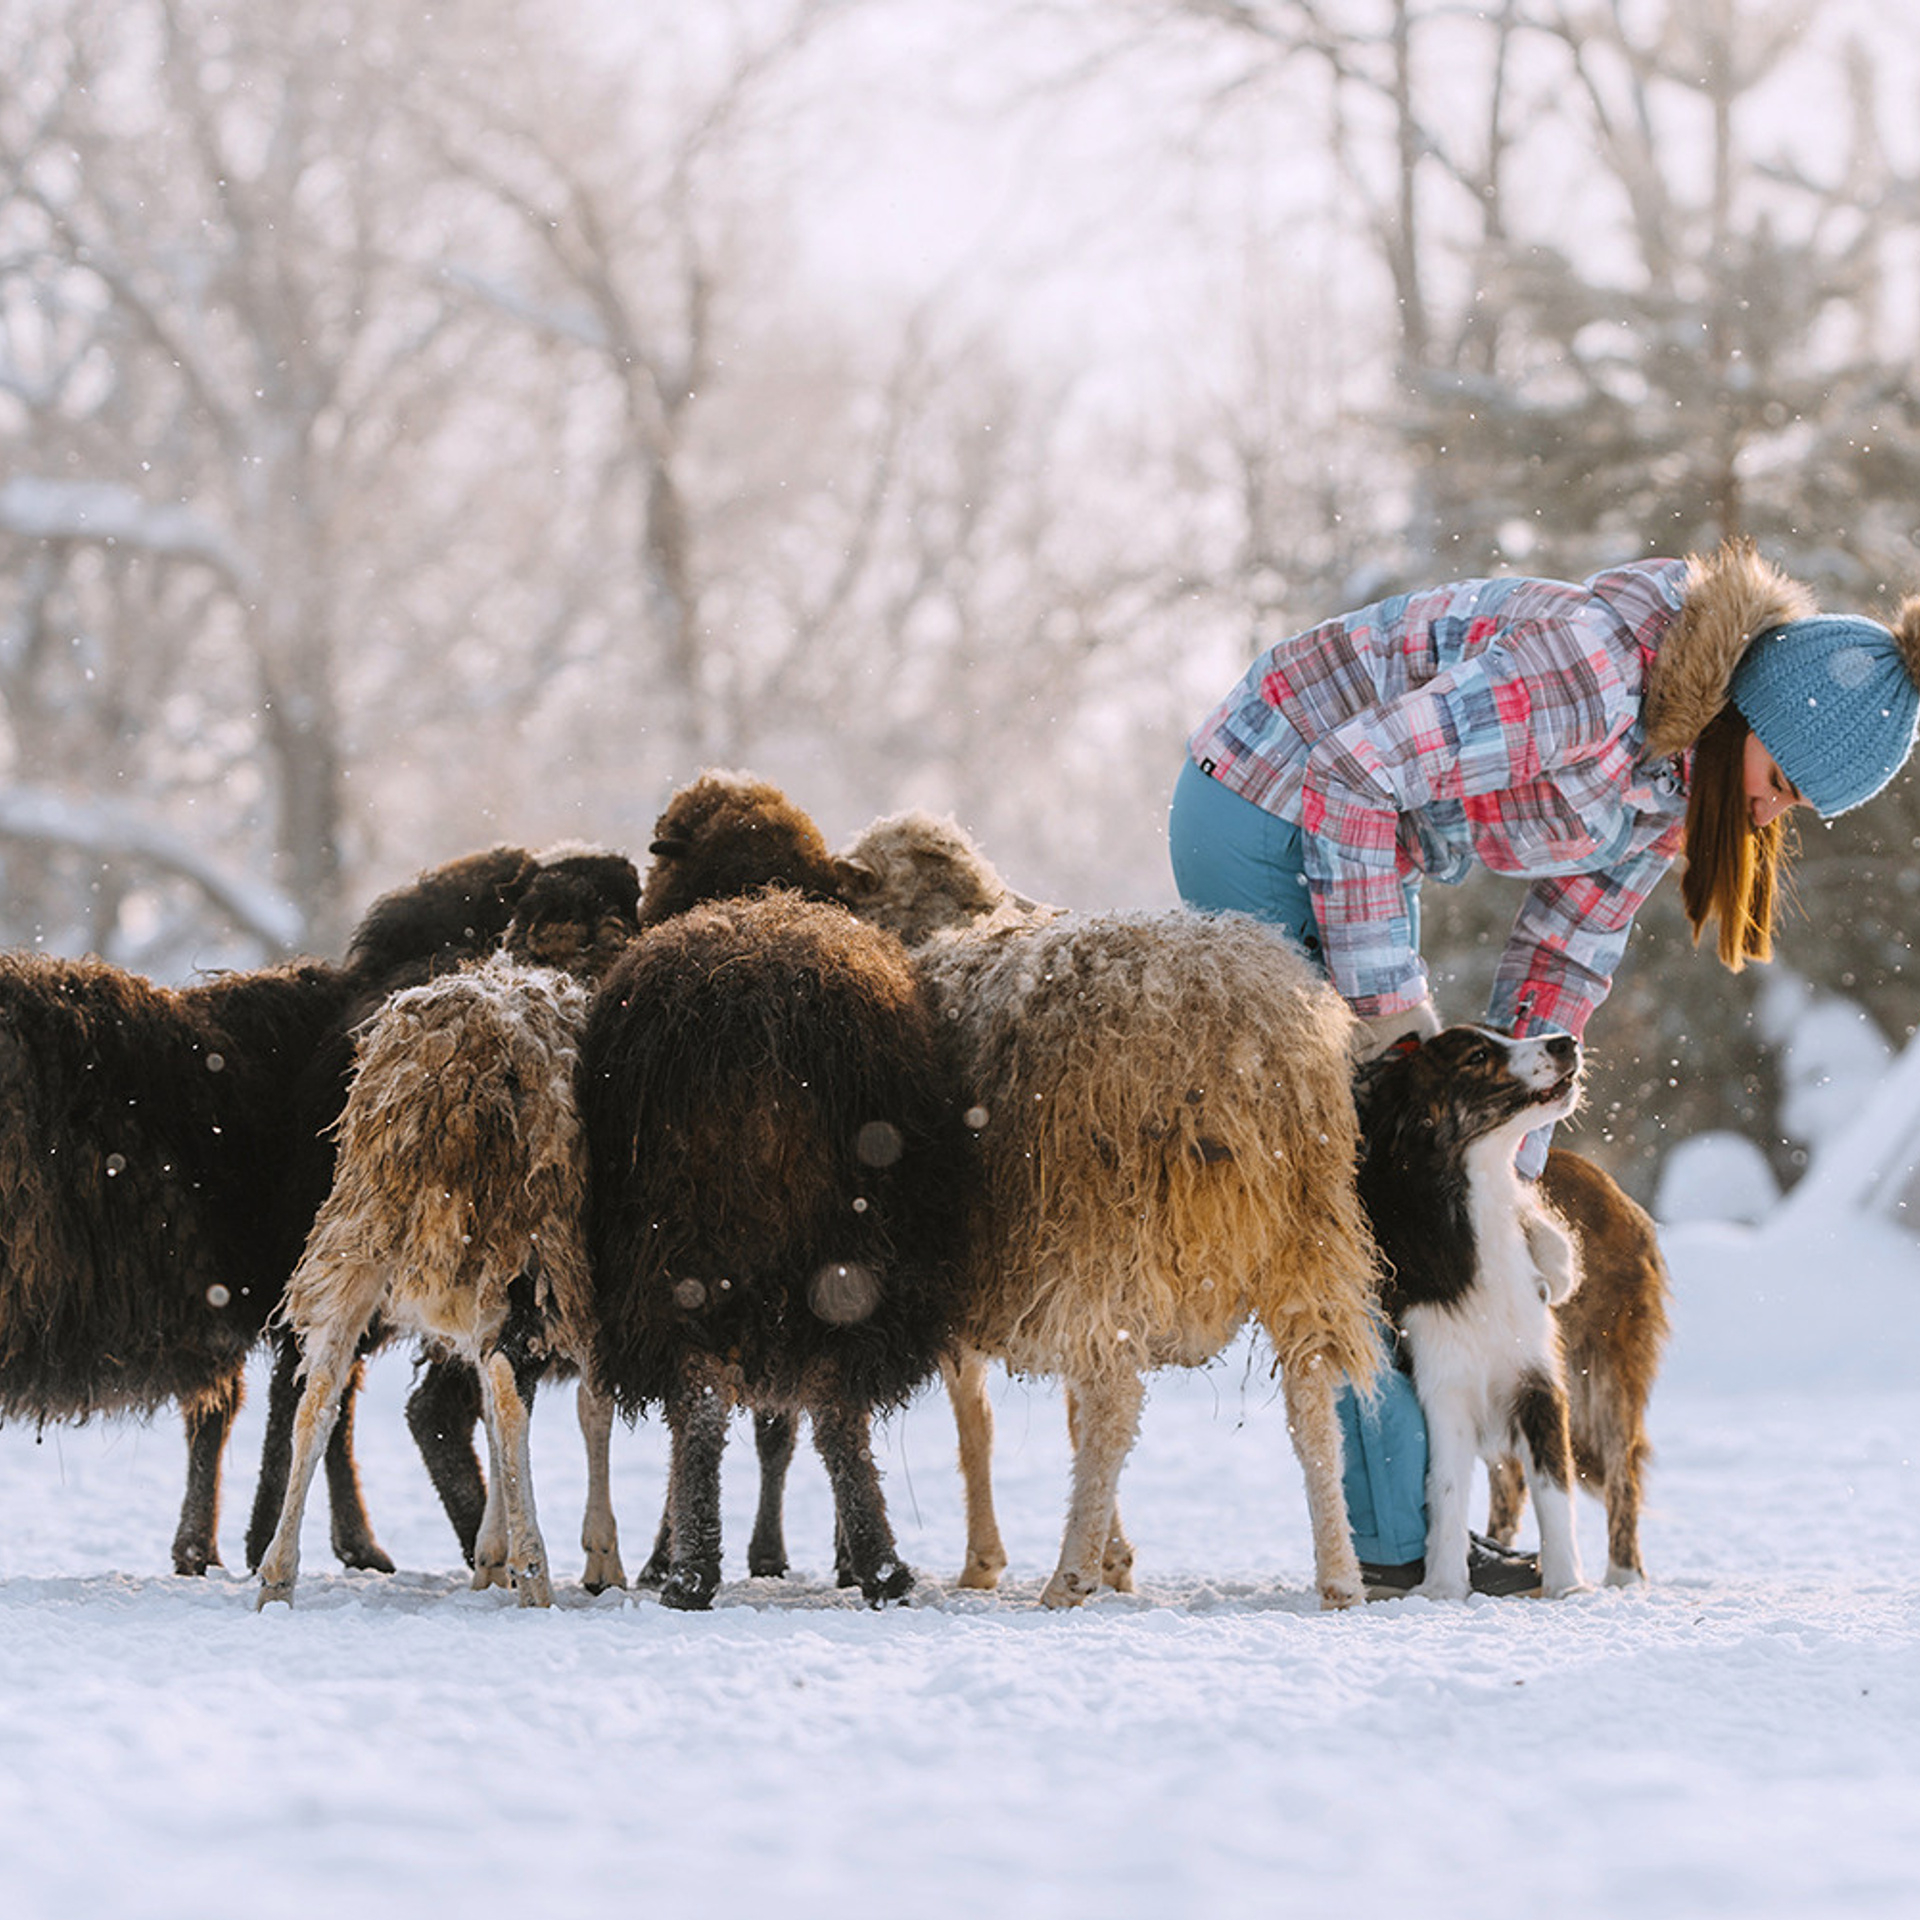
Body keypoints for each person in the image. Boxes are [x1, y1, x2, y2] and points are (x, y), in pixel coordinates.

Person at [1169, 538, 1920, 1595]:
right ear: (1752, 720)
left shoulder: (1666, 785)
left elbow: (1560, 964)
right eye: (1781, 783)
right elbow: (1349, 776)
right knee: (1366, 1182)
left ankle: (1411, 1528)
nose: (1771, 814)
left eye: (1797, 809)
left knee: (1435, 1182)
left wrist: (1512, 1180)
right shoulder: (1586, 677)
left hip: (1362, 838)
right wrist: (1397, 1031)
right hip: (1263, 802)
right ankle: (1391, 1539)